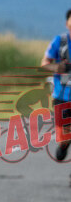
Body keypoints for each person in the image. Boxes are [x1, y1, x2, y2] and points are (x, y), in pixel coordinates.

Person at [41, 9, 71, 169]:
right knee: (66, 136)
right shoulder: (59, 42)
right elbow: (44, 64)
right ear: (67, 23)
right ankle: (64, 146)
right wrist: (58, 67)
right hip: (63, 96)